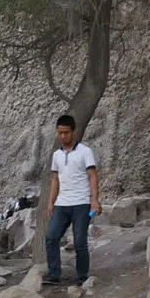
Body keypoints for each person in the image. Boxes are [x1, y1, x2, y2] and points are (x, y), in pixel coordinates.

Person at [42, 112, 99, 288]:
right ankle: (54, 274)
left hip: (81, 202)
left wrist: (94, 200)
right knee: (51, 236)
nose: (63, 136)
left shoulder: (85, 152)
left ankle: (82, 277)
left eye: (66, 132)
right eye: (60, 132)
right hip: (61, 203)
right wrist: (51, 202)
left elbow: (92, 176)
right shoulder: (56, 155)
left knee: (80, 240)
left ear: (73, 131)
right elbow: (55, 180)